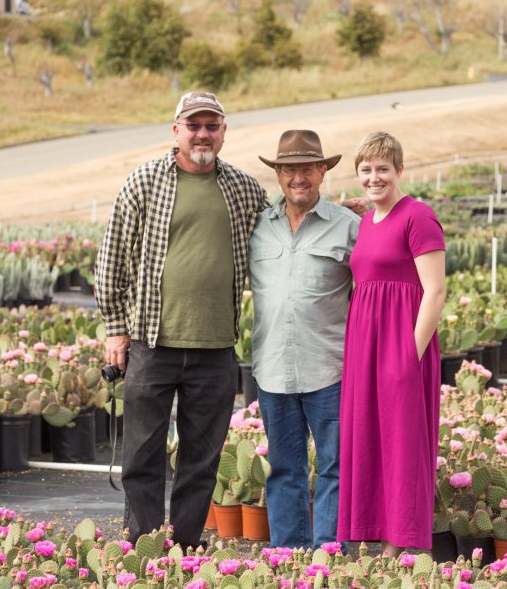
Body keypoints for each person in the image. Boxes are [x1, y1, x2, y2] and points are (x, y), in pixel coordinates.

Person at [95, 91, 269, 550]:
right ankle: (144, 545)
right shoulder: (145, 181)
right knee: (141, 455)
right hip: (153, 343)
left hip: (215, 346)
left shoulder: (243, 188)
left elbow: (284, 225)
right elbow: (112, 259)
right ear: (176, 131)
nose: (203, 134)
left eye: (212, 125)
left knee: (202, 458)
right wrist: (116, 328)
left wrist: (340, 216)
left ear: (224, 132)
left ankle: (187, 546)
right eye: (194, 125)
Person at [337, 131, 446, 555]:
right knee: (368, 437)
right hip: (365, 344)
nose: (374, 177)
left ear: (400, 170)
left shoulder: (418, 217)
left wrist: (408, 356)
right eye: (366, 169)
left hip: (402, 344)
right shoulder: (366, 221)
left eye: (383, 168)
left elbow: (434, 292)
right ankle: (373, 532)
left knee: (402, 442)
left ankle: (399, 543)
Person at [248, 130, 359, 548]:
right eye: (289, 169)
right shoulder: (257, 228)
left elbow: (378, 282)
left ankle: (327, 555)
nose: (299, 177)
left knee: (335, 467)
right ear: (277, 174)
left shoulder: (349, 227)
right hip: (272, 368)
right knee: (284, 468)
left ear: (322, 172)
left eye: (307, 168)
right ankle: (289, 555)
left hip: (329, 369)